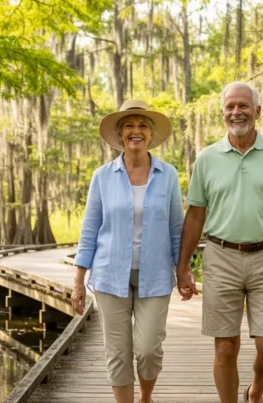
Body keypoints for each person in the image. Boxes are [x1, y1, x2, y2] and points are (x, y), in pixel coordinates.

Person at [176, 82, 263, 403]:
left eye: (243, 106)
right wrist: (183, 267)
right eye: (230, 107)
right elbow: (195, 216)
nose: (237, 112)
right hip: (220, 257)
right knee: (225, 347)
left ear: (258, 111)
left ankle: (255, 391)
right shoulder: (207, 158)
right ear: (222, 113)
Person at [71, 100, 184, 403]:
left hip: (157, 276)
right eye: (130, 126)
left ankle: (145, 398)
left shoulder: (168, 175)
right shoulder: (102, 176)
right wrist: (78, 280)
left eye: (143, 125)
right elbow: (90, 229)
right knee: (118, 351)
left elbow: (177, 229)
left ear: (151, 134)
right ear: (120, 135)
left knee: (148, 348)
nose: (136, 131)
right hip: (109, 276)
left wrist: (183, 270)